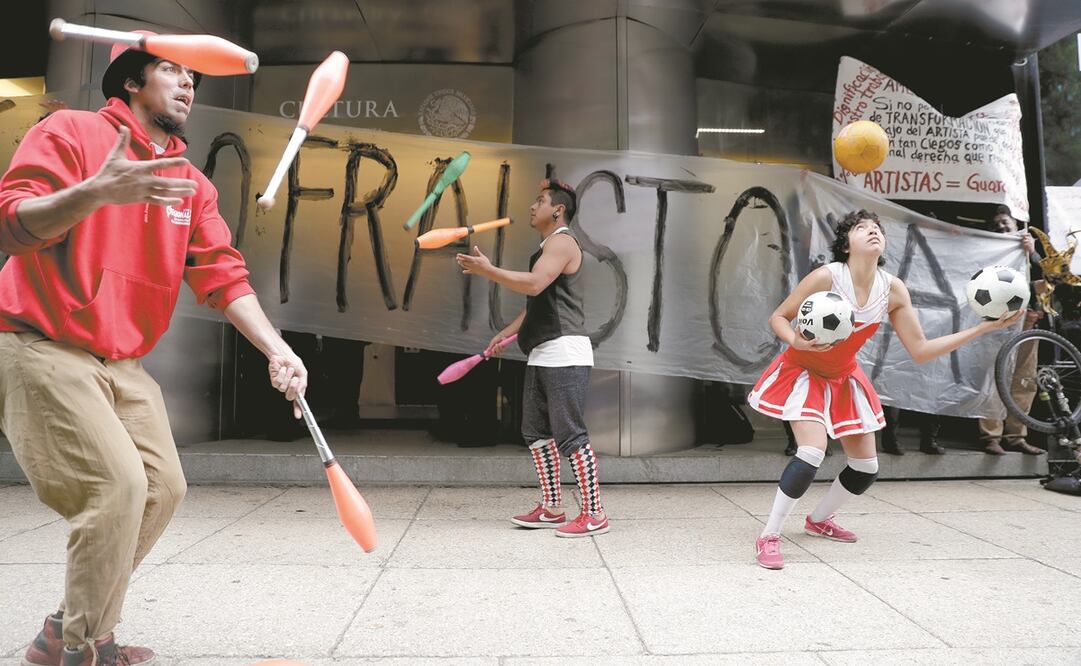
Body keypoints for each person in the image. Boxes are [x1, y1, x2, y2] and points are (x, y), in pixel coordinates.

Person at [0, 36, 307, 665]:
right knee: (113, 490)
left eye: (194, 76)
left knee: (162, 488)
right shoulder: (73, 132)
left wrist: (277, 349)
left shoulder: (191, 183)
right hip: (43, 343)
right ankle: (86, 651)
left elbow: (224, 275)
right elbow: (11, 222)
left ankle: (67, 629)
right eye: (172, 70)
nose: (189, 84)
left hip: (124, 362)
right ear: (131, 82)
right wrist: (95, 192)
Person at [746, 209, 1018, 569]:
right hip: (804, 371)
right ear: (846, 243)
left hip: (844, 377)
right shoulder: (827, 276)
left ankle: (818, 521)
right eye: (862, 228)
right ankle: (769, 535)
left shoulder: (892, 289)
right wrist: (797, 339)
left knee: (866, 467)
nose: (873, 232)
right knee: (811, 453)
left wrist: (983, 328)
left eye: (877, 228)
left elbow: (920, 350)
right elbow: (778, 317)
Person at [456, 178, 608, 537]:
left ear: (558, 209)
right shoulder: (547, 247)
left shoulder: (563, 242)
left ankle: (595, 513)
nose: (532, 206)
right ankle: (553, 507)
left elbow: (534, 285)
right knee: (536, 433)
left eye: (540, 200)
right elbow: (540, 302)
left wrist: (488, 270)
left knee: (570, 435)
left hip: (565, 351)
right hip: (543, 352)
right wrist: (508, 333)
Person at [978, 205, 1046, 456]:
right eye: (996, 225)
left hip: (1029, 321)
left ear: (1017, 226)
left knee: (1024, 380)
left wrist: (1034, 253)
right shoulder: (987, 253)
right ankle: (991, 435)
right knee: (995, 379)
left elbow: (1053, 275)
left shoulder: (1029, 250)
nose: (1001, 227)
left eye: (1005, 223)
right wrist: (1030, 286)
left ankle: (1016, 436)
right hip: (998, 324)